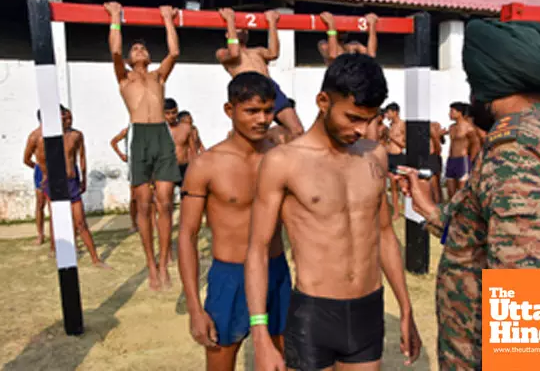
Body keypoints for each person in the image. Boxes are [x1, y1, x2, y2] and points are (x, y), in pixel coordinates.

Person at [396, 19, 540, 370]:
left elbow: (531, 296)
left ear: (487, 84)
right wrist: (430, 209)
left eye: (472, 82)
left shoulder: (517, 150)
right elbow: (485, 236)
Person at [245, 54, 421, 371]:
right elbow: (258, 248)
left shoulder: (375, 155)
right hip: (315, 313)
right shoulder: (284, 162)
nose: (361, 129)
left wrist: (406, 308)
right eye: (352, 117)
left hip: (368, 307)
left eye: (368, 119)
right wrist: (260, 333)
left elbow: (384, 234)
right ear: (323, 101)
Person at [178, 72, 291, 370]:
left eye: (268, 110)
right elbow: (187, 236)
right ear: (230, 111)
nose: (262, 119)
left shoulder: (282, 157)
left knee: (281, 360)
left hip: (275, 270)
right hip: (230, 277)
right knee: (220, 361)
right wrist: (193, 307)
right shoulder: (206, 165)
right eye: (252, 111)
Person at [104, 1, 181, 290]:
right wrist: (114, 17)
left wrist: (167, 19)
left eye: (143, 49)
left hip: (161, 133)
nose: (140, 51)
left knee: (165, 201)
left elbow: (174, 52)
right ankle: (150, 263)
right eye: (134, 49)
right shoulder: (124, 78)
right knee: (145, 204)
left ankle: (163, 262)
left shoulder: (158, 76)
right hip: (139, 134)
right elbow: (114, 50)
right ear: (128, 57)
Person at [216, 8, 304, 138]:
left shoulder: (257, 51)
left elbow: (273, 53)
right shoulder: (222, 53)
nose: (243, 30)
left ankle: (265, 136)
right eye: (237, 28)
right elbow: (234, 52)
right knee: (251, 134)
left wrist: (272, 24)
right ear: (228, 34)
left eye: (245, 29)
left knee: (297, 130)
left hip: (268, 87)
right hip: (248, 89)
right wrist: (230, 21)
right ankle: (239, 136)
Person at [39, 106, 108, 268]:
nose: (68, 120)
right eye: (65, 117)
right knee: (58, 220)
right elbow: (40, 159)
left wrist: (83, 178)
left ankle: (95, 259)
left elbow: (82, 158)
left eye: (70, 117)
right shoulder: (46, 138)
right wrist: (45, 176)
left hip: (71, 183)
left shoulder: (76, 136)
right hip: (55, 184)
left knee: (80, 222)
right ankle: (57, 251)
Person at [23, 110, 51, 245]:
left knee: (56, 205)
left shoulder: (59, 133)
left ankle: (58, 233)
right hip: (41, 170)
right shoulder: (34, 136)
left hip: (56, 171)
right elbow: (26, 159)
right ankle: (40, 234)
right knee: (40, 204)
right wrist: (40, 168)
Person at [442, 102, 480, 199]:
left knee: (462, 193)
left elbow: (476, 144)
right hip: (451, 161)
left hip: (462, 161)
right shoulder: (451, 127)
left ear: (459, 113)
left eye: (452, 111)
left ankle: (463, 214)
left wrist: (470, 160)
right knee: (450, 192)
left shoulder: (468, 127)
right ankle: (452, 214)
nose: (449, 114)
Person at [110, 126, 138, 232]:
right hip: (134, 167)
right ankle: (134, 224)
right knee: (134, 196)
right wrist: (121, 155)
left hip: (148, 166)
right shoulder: (128, 130)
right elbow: (113, 142)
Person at [165, 98, 194, 187]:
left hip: (184, 167)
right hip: (166, 168)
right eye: (167, 113)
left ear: (177, 111)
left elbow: (193, 150)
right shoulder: (159, 130)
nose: (171, 116)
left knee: (187, 195)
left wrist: (194, 168)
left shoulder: (186, 128)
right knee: (165, 198)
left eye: (174, 112)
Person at [384, 102, 405, 220]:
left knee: (403, 185)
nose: (387, 115)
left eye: (389, 112)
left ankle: (409, 211)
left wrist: (393, 138)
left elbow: (405, 144)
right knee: (393, 187)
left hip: (399, 157)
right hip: (390, 157)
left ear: (395, 112)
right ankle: (396, 213)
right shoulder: (390, 126)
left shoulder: (402, 125)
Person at [429, 121, 444, 204]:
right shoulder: (434, 124)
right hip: (434, 157)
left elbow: (439, 147)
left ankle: (438, 206)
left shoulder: (433, 125)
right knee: (436, 185)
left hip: (433, 157)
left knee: (434, 186)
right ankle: (439, 205)